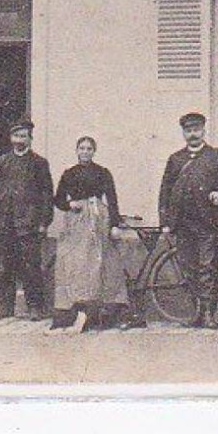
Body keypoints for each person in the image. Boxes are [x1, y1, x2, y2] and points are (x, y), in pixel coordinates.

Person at [158, 112, 218, 329]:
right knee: (188, 268)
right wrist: (165, 222)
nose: (193, 134)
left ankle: (209, 313)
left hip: (210, 223)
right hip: (184, 224)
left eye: (196, 129)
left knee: (208, 267)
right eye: (188, 130)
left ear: (203, 131)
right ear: (183, 133)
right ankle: (197, 313)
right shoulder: (175, 160)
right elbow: (165, 191)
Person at [49, 136, 129, 334]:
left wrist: (114, 224)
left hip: (98, 220)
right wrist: (70, 204)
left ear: (94, 151)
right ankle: (75, 312)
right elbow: (58, 200)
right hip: (76, 223)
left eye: (89, 148)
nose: (85, 152)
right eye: (82, 148)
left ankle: (100, 313)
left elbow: (112, 199)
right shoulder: (69, 174)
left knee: (100, 264)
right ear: (77, 151)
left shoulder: (102, 173)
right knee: (76, 263)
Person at [0, 119, 54, 321]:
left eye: (23, 136)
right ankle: (5, 306)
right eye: (16, 136)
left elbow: (47, 194)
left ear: (30, 139)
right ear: (10, 138)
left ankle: (35, 307)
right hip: (5, 221)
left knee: (31, 266)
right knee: (5, 266)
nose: (19, 140)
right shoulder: (3, 161)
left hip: (29, 223)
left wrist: (43, 222)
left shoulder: (39, 163)